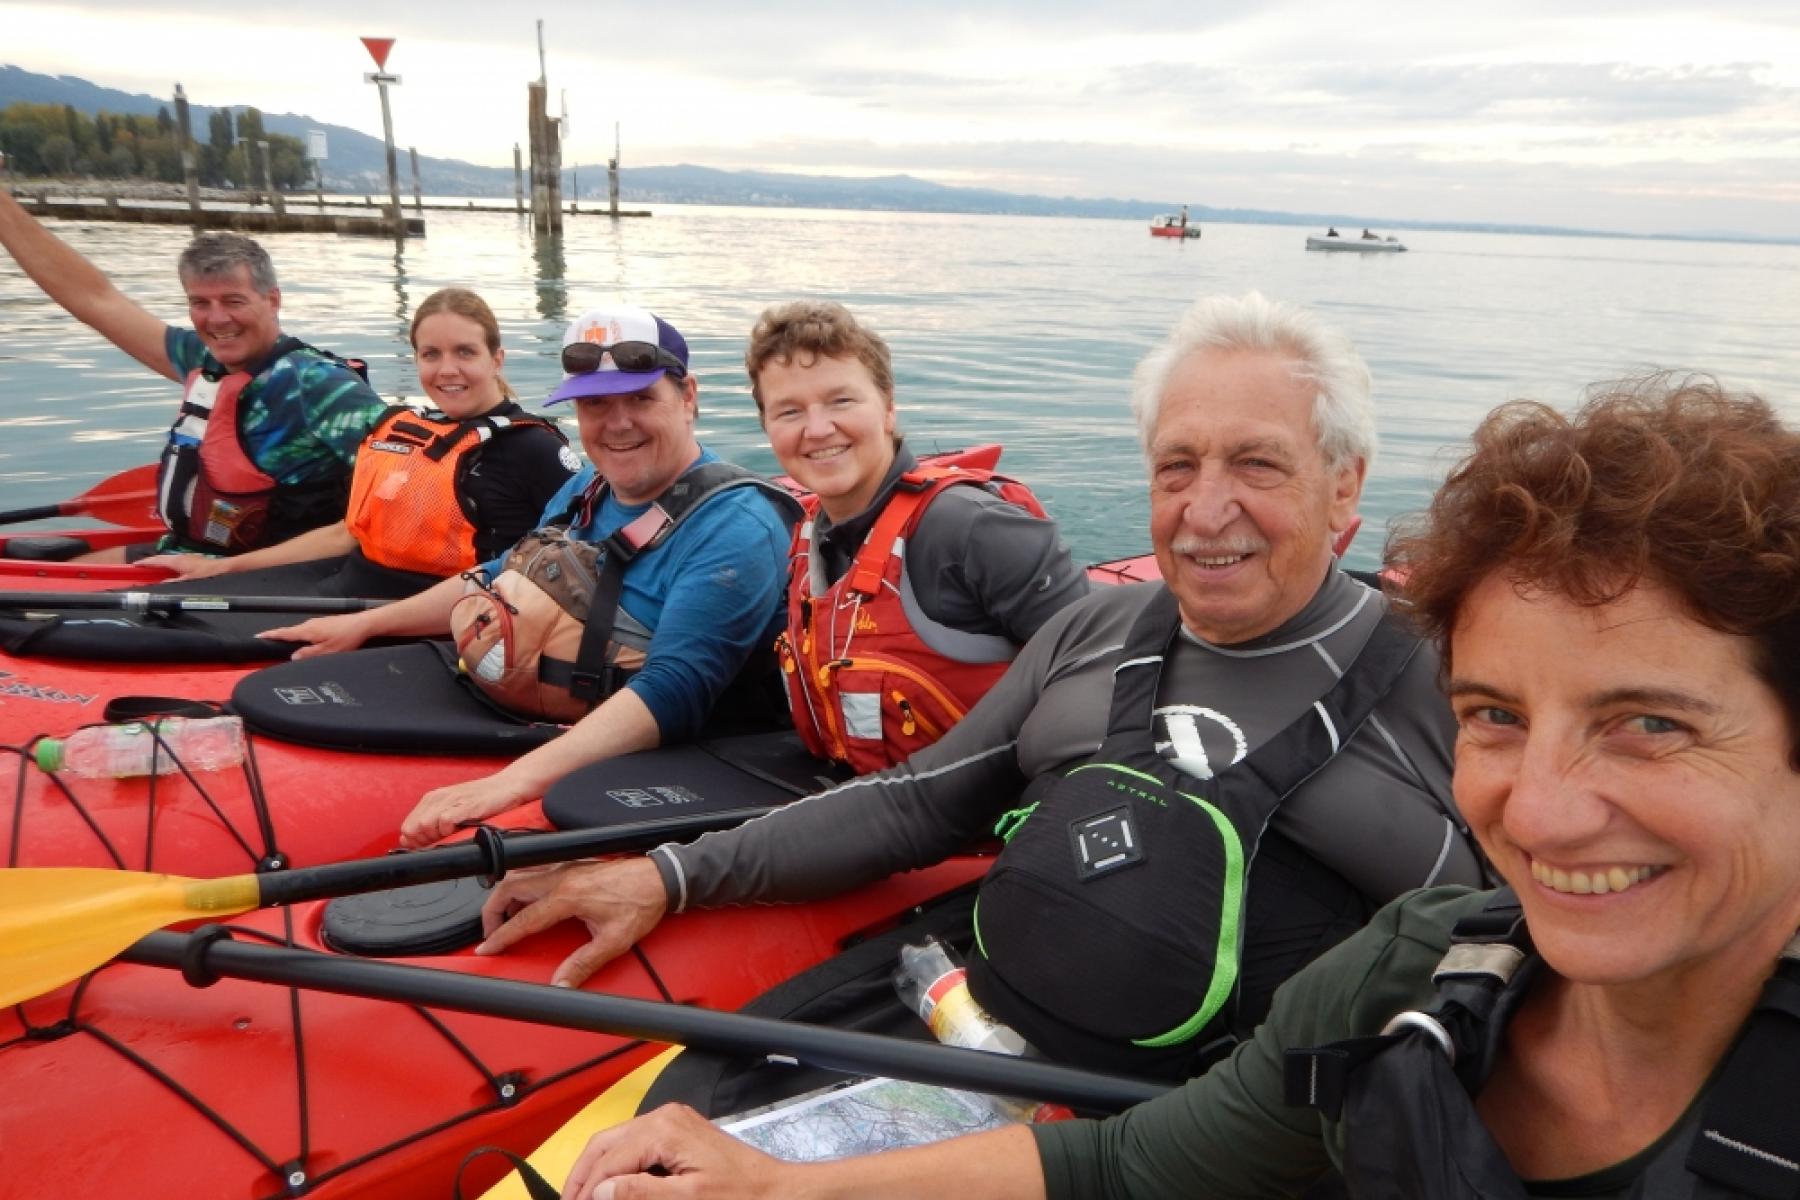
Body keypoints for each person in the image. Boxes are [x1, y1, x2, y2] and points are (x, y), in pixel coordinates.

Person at [558, 375, 1800, 1200]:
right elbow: (1129, 1165)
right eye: (1498, 719)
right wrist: (679, 881)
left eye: (1649, 726)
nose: (1538, 807)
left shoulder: (1408, 744)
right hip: (1001, 1046)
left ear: (1344, 493)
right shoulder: (1434, 964)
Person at [476, 292, 1486, 1075]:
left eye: (1258, 466)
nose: (1204, 510)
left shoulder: (1445, 685)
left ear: (1345, 481)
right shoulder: (1097, 631)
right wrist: (668, 875)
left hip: (1224, 1129)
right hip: (976, 1026)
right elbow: (918, 804)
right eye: (1176, 467)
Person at [262, 304, 795, 848]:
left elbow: (677, 689)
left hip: (669, 743)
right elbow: (499, 569)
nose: (618, 424)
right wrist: (371, 624)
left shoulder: (736, 526)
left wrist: (506, 786)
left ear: (687, 398)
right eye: (594, 404)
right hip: (525, 696)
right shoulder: (590, 485)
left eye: (641, 398)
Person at [749, 300, 1088, 773]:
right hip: (856, 793)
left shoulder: (971, 528)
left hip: (982, 816)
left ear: (888, 408)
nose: (818, 428)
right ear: (767, 426)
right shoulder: (808, 534)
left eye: (841, 401)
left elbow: (1104, 676)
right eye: (788, 411)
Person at [0, 192, 387, 559]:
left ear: (272, 300)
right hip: (191, 554)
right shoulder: (204, 360)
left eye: (234, 301)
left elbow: (407, 485)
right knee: (63, 571)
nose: (217, 319)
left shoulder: (321, 386)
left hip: (271, 578)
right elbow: (96, 300)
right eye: (200, 303)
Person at [137, 287, 579, 595]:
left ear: (496, 358)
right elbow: (347, 533)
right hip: (348, 588)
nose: (446, 370)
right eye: (431, 354)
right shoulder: (409, 436)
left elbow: (583, 556)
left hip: (426, 620)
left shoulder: (533, 448)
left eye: (465, 352)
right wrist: (223, 567)